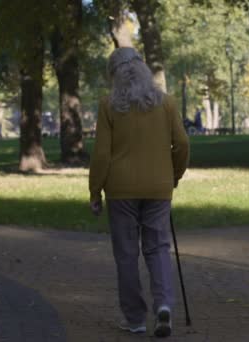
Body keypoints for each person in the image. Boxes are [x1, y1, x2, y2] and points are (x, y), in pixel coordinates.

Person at [89, 47, 190, 337]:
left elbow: (101, 156)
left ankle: (134, 319)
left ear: (114, 76)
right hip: (159, 187)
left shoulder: (108, 105)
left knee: (126, 253)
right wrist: (175, 174)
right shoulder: (167, 103)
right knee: (158, 247)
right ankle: (164, 306)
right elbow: (182, 144)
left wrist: (95, 191)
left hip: (120, 189)